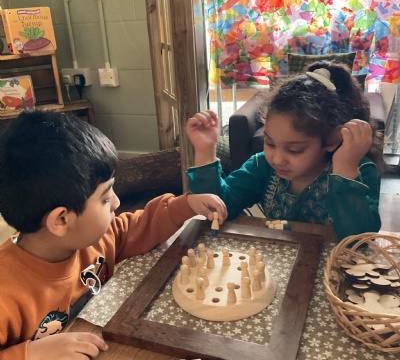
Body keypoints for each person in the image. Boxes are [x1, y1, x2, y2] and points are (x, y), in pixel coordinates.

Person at [0, 110, 227, 360]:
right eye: (106, 197)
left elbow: (138, 227)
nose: (117, 202)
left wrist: (186, 205)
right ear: (62, 220)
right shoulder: (5, 293)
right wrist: (28, 354)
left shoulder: (93, 239)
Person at [186, 61, 383, 241]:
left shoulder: (358, 169)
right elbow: (218, 207)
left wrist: (346, 169)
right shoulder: (262, 166)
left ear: (332, 140)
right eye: (270, 143)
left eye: (294, 150)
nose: (277, 159)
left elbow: (359, 240)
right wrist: (205, 151)